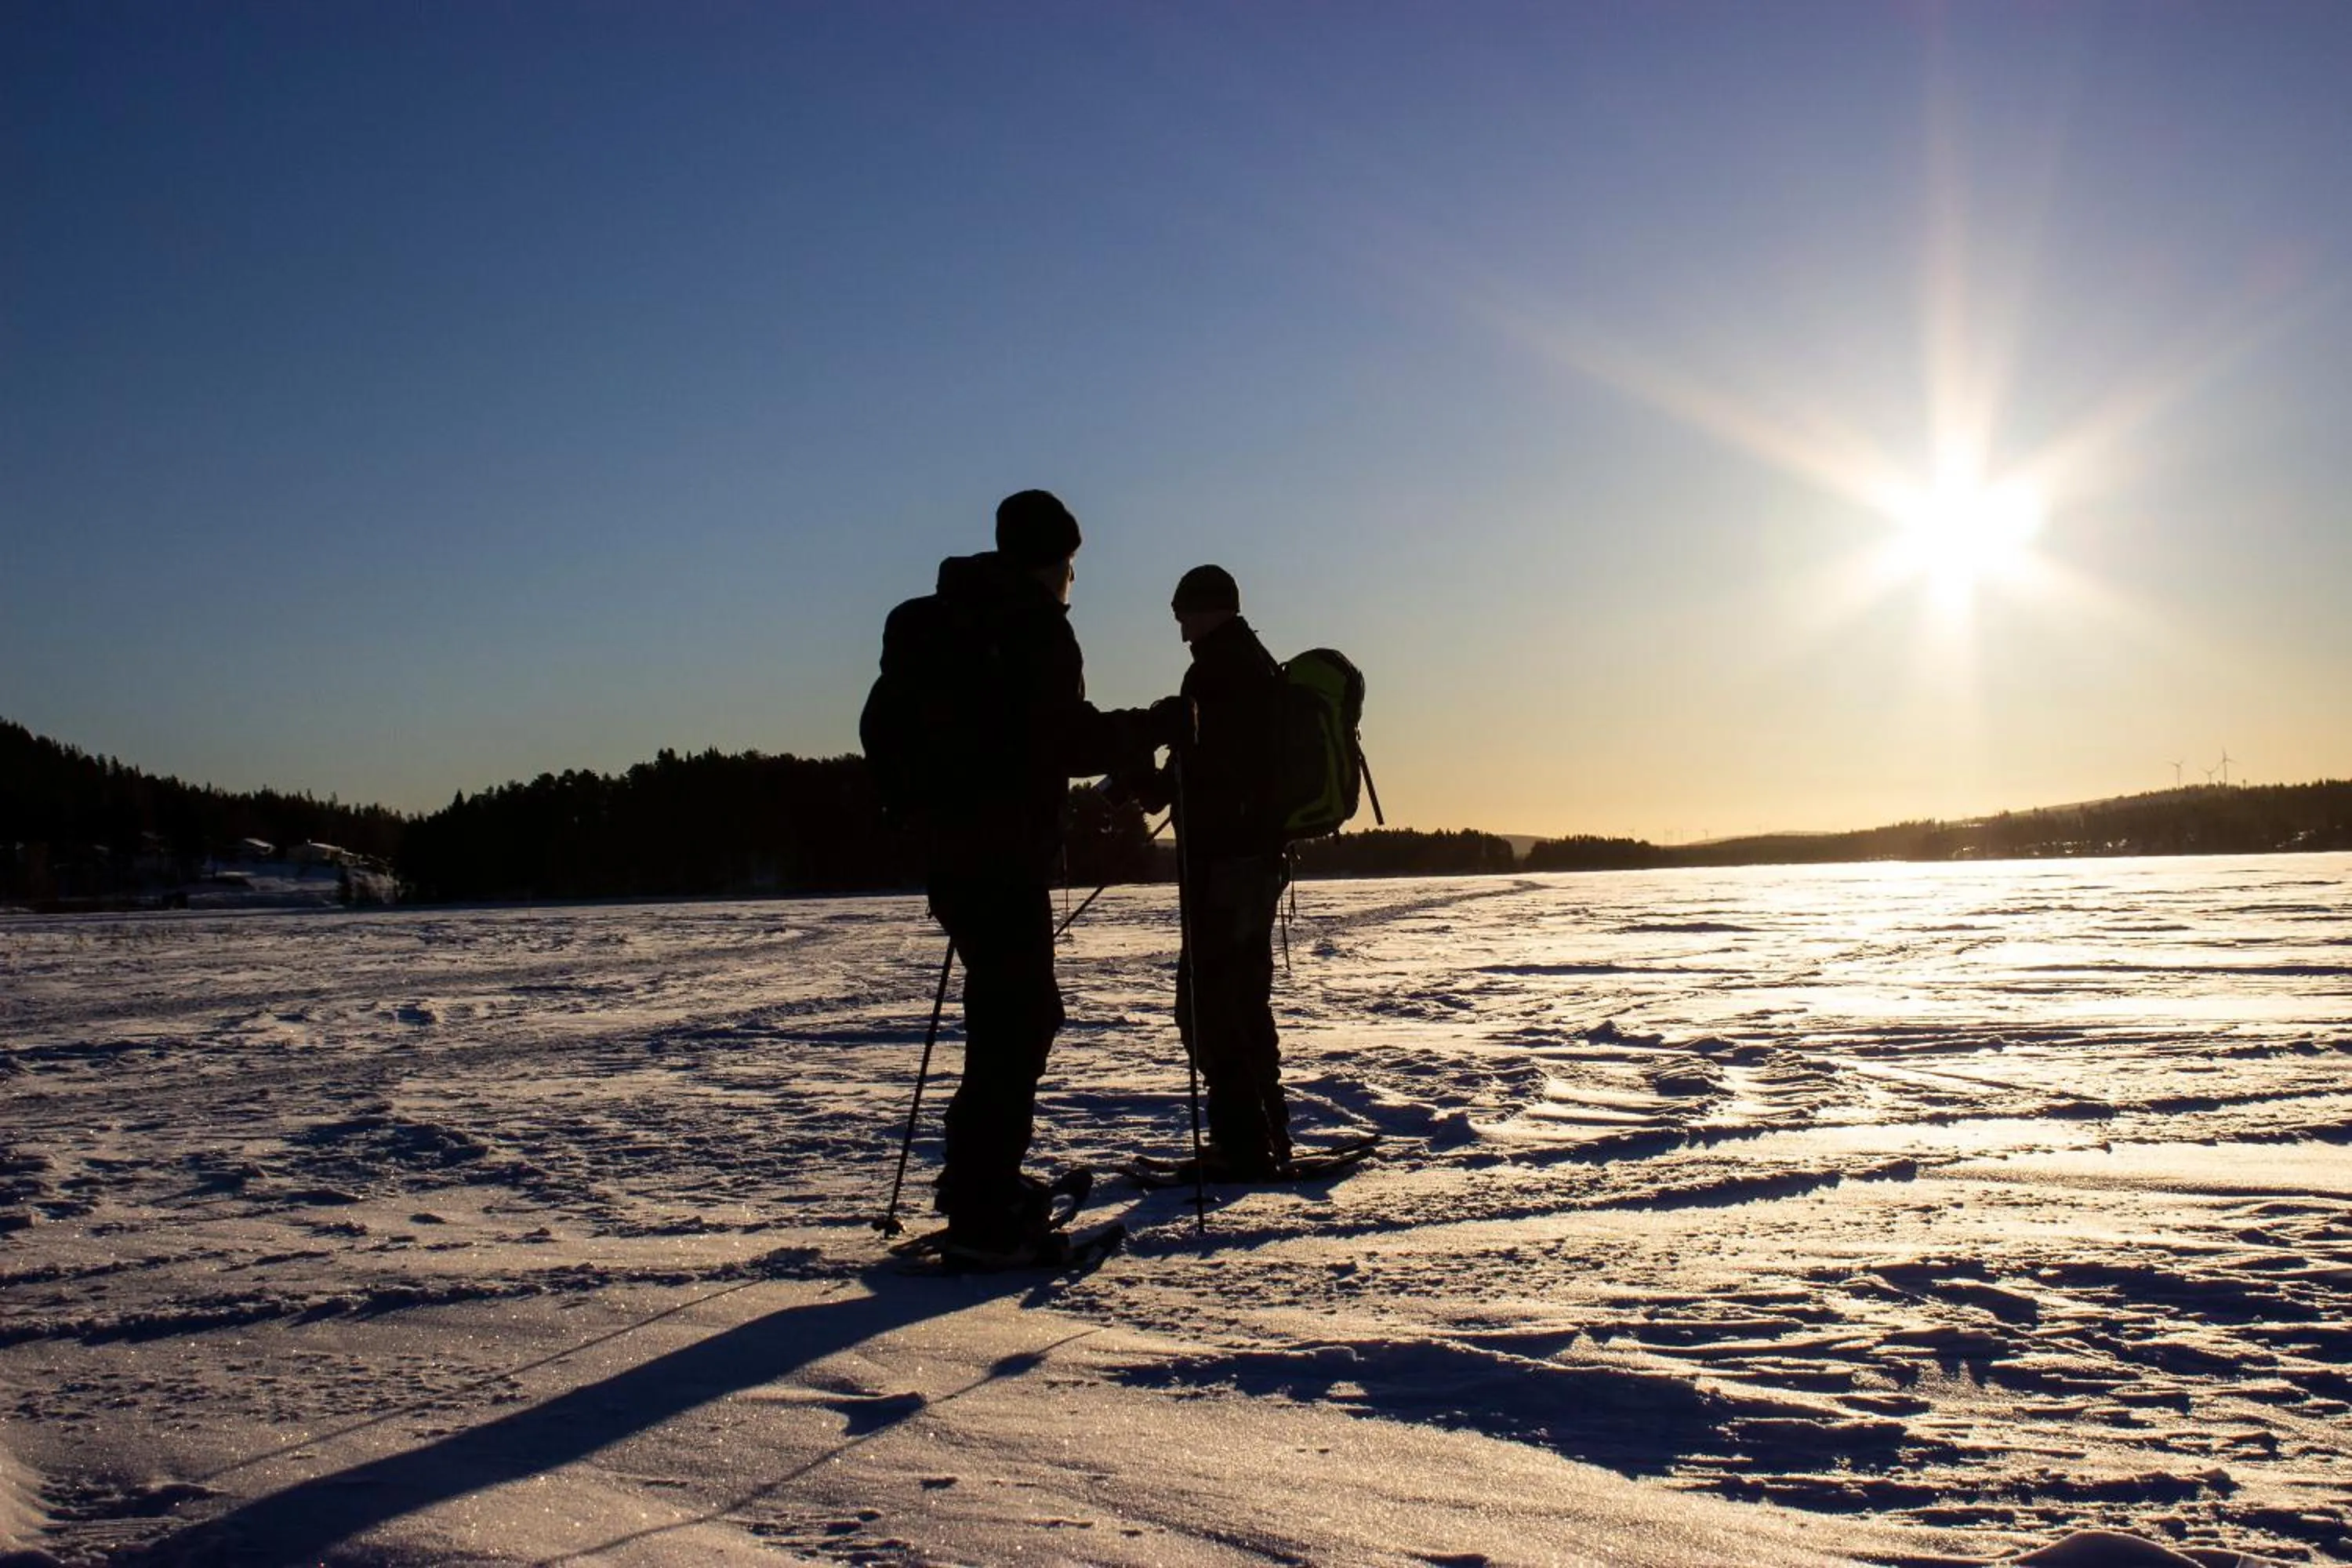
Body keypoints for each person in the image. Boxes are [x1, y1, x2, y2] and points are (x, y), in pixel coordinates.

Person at [859, 489, 1178, 1264]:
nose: (1072, 580)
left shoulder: (933, 618)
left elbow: (883, 728)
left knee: (1005, 1012)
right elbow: (1062, 739)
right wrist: (1151, 726)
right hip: (1002, 853)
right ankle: (983, 1204)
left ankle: (981, 1184)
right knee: (1021, 1018)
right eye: (1070, 566)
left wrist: (928, 808)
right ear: (1052, 562)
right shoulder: (1033, 626)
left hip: (951, 851)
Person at [1129, 564, 1295, 1180]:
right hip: (1255, 859)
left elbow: (1206, 770)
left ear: (1207, 609)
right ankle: (1267, 1134)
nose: (1177, 624)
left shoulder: (1217, 670)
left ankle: (1242, 1145)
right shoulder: (1254, 662)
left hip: (1223, 863)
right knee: (1245, 999)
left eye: (1181, 611)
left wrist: (1150, 783)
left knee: (1207, 1004)